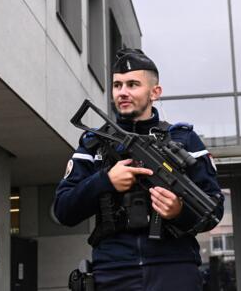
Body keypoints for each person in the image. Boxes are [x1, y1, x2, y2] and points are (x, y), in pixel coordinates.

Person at [53, 48, 224, 291]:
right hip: (114, 270)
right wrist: (105, 181)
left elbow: (214, 210)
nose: (122, 92)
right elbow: (63, 210)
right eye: (117, 85)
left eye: (133, 84)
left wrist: (178, 211)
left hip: (174, 268)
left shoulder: (184, 140)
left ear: (155, 92)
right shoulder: (94, 142)